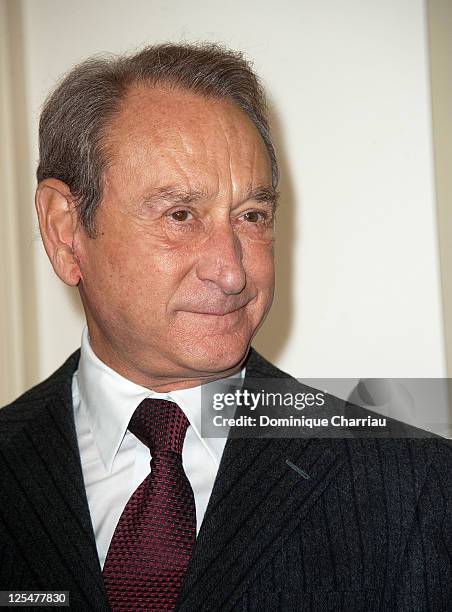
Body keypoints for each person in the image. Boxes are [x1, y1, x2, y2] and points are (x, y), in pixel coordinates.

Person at [0, 43, 450, 612]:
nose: (233, 271)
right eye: (180, 215)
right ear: (66, 230)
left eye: (252, 216)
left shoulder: (413, 488)